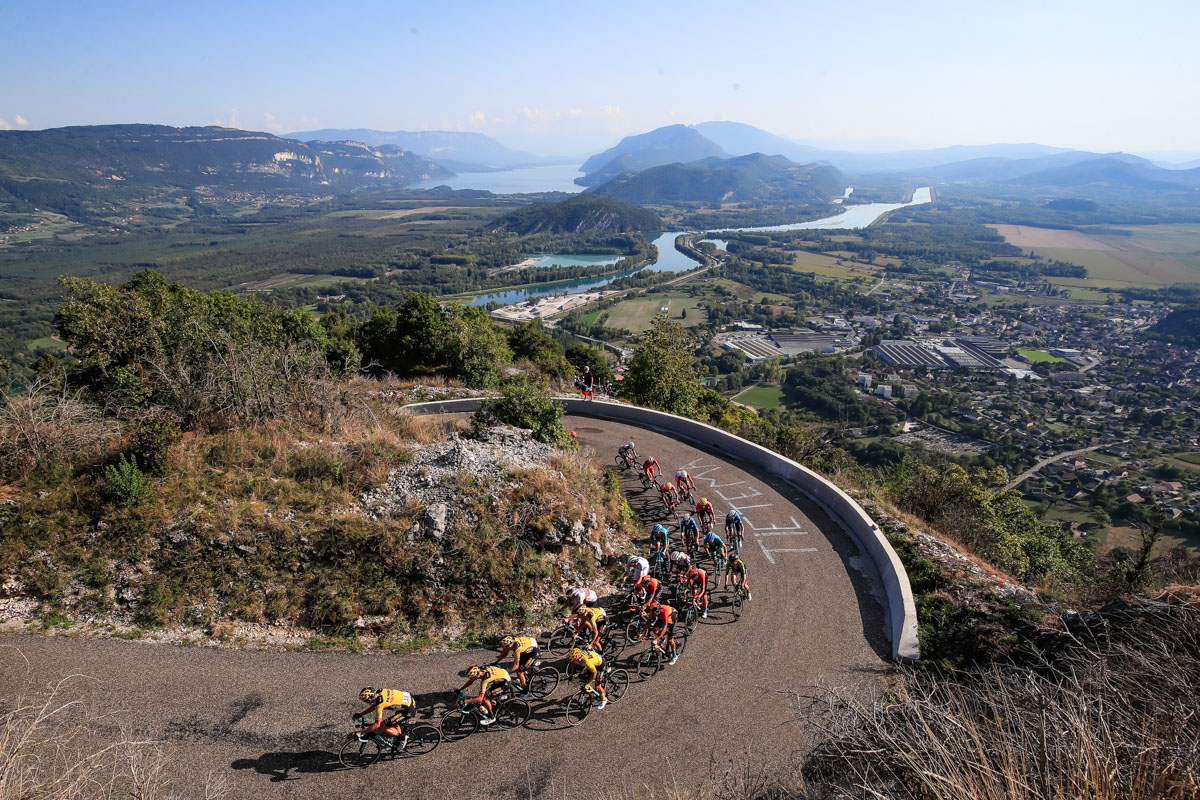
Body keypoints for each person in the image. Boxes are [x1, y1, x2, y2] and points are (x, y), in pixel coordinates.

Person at [355, 687, 416, 751]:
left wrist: (361, 732)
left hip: (408, 710)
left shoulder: (380, 705)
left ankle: (403, 738)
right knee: (392, 722)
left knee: (383, 725)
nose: (366, 702)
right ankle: (398, 741)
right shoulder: (380, 691)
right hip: (408, 701)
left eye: (365, 701)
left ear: (369, 699)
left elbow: (377, 724)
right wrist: (361, 714)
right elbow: (374, 706)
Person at [645, 600, 679, 666]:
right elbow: (648, 622)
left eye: (656, 613)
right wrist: (642, 633)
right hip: (662, 617)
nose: (654, 614)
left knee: (670, 639)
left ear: (658, 610)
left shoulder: (664, 613)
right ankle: (663, 639)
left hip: (671, 617)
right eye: (653, 612)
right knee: (655, 630)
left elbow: (664, 628)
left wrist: (656, 639)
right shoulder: (653, 611)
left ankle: (675, 656)